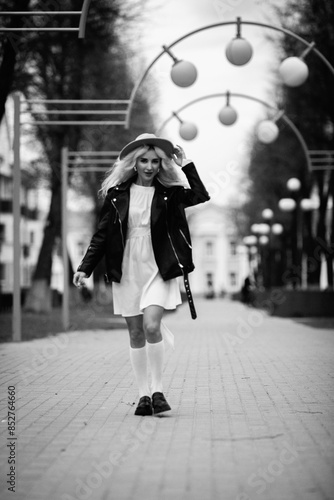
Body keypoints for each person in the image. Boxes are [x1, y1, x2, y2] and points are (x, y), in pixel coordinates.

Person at [73, 133, 210, 416]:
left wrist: (186, 164)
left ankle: (158, 391)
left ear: (161, 164)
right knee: (135, 332)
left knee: (150, 326)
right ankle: (143, 396)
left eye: (155, 161)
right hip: (126, 267)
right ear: (135, 163)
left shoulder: (169, 194)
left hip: (158, 267)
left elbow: (199, 195)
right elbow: (102, 235)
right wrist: (85, 267)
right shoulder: (116, 195)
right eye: (144, 161)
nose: (149, 166)